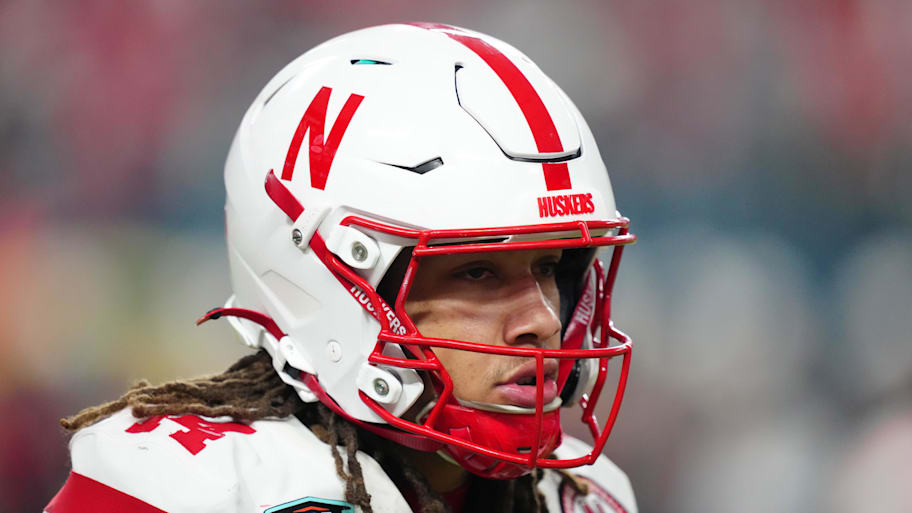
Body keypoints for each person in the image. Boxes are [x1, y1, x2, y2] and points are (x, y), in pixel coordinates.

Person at [46, 23, 638, 513]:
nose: (542, 321)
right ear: (327, 279)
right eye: (477, 272)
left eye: (550, 268)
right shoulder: (181, 487)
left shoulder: (589, 497)